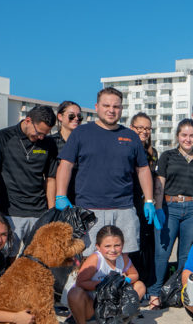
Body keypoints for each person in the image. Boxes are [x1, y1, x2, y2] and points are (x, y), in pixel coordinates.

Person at [55, 88, 158, 259]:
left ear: (121, 109)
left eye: (116, 106)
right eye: (106, 105)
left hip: (124, 209)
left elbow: (143, 169)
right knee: (89, 261)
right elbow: (65, 165)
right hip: (89, 209)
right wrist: (60, 195)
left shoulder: (130, 136)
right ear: (97, 107)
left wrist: (148, 200)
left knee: (123, 260)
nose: (111, 110)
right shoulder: (81, 133)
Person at [150, 119, 193, 308]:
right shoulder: (168, 156)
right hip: (169, 208)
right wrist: (158, 209)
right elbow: (159, 184)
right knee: (162, 253)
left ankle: (181, 292)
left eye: (192, 135)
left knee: (186, 255)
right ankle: (155, 294)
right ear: (178, 136)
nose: (188, 139)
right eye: (184, 135)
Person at [0, 105, 58, 254]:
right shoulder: (1, 138)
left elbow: (50, 179)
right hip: (10, 213)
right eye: (38, 133)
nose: (41, 137)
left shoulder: (49, 143)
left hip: (39, 213)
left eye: (46, 134)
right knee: (7, 261)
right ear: (28, 120)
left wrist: (51, 212)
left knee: (36, 261)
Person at [62, 225, 146, 324]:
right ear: (98, 247)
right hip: (93, 302)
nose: (113, 250)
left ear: (123, 245)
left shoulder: (123, 258)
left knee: (140, 286)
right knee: (74, 292)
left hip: (113, 300)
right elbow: (80, 282)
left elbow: (135, 275)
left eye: (117, 245)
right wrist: (104, 285)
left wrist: (124, 280)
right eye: (107, 246)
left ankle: (123, 319)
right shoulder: (95, 259)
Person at [129, 112, 161, 293]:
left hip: (146, 204)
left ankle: (145, 287)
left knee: (147, 246)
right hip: (129, 202)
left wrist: (155, 205)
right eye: (140, 127)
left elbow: (154, 178)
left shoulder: (152, 153)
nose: (144, 131)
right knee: (132, 245)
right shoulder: (127, 148)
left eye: (147, 128)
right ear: (132, 128)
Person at [51, 101, 82, 202]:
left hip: (81, 197)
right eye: (71, 116)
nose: (76, 119)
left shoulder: (86, 142)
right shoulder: (51, 142)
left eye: (79, 116)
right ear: (60, 117)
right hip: (58, 197)